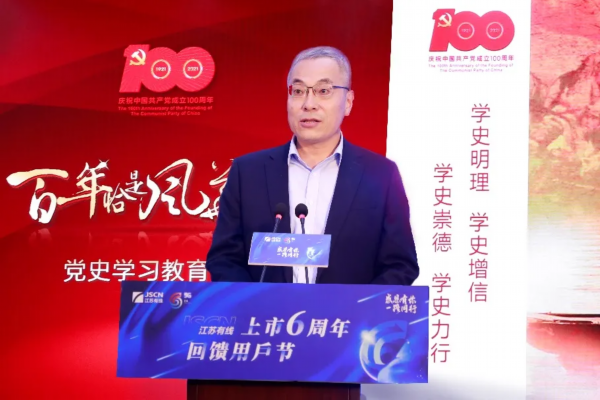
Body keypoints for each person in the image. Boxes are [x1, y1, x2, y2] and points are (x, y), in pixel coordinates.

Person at [206, 46, 419, 285]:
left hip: (347, 311)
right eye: (298, 91)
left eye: (323, 91)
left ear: (348, 102)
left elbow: (400, 265)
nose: (309, 104)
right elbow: (224, 259)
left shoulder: (381, 175)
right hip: (263, 309)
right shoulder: (247, 173)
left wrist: (355, 306)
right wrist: (255, 302)